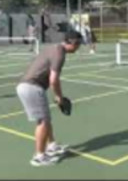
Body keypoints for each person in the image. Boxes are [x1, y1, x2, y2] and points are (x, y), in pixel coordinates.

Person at [16, 30, 82, 166]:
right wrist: (59, 97)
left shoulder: (53, 48)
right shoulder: (60, 53)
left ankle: (51, 146)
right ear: (73, 43)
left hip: (29, 86)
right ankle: (39, 156)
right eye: (78, 44)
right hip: (32, 87)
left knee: (46, 119)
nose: (79, 47)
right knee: (43, 122)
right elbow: (53, 80)